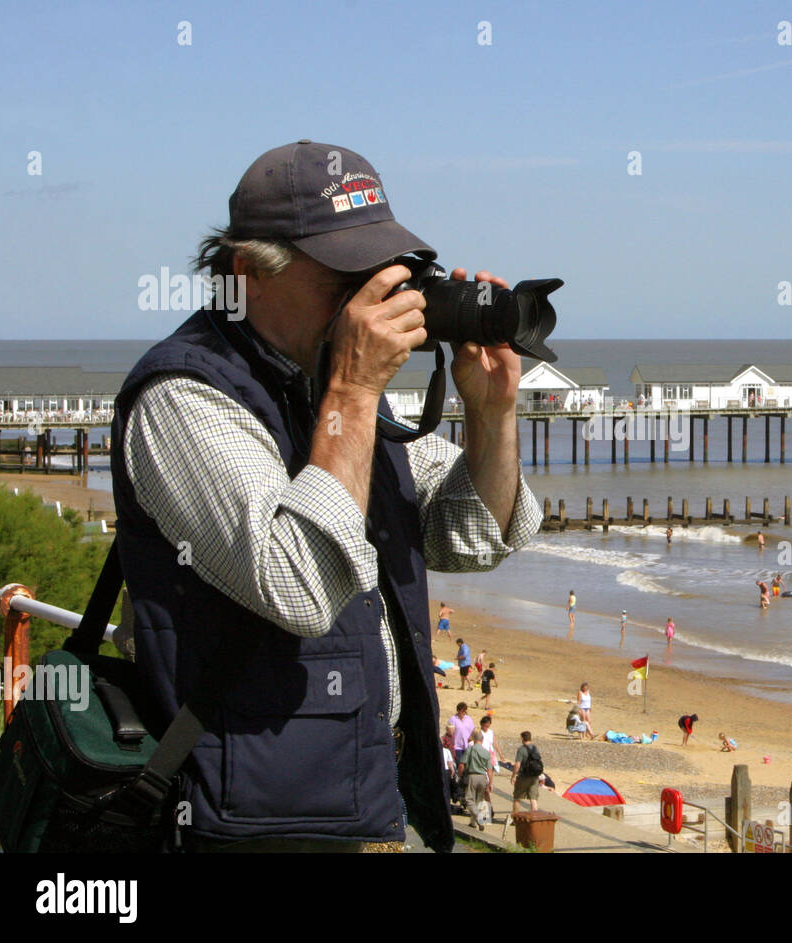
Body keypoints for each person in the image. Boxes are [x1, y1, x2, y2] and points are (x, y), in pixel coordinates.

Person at [109, 141, 541, 853]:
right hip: (247, 829)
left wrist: (492, 417)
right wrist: (354, 388)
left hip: (369, 808)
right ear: (247, 272)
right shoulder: (184, 398)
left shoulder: (325, 388)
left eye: (381, 270)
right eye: (343, 275)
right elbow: (300, 588)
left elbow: (472, 534)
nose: (367, 297)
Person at [458, 730, 493, 830]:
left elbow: (461, 765)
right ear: (482, 740)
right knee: (478, 800)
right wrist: (490, 783)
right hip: (483, 777)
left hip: (472, 775)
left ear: (473, 740)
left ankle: (478, 817)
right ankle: (473, 823)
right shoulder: (486, 752)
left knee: (469, 799)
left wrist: (460, 776)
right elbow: (490, 770)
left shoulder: (470, 750)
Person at [512, 731, 544, 813]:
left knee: (517, 797)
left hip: (523, 776)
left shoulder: (521, 749)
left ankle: (515, 818)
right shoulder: (535, 748)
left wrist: (514, 776)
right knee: (533, 799)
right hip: (534, 776)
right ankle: (534, 818)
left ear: (522, 739)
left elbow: (517, 765)